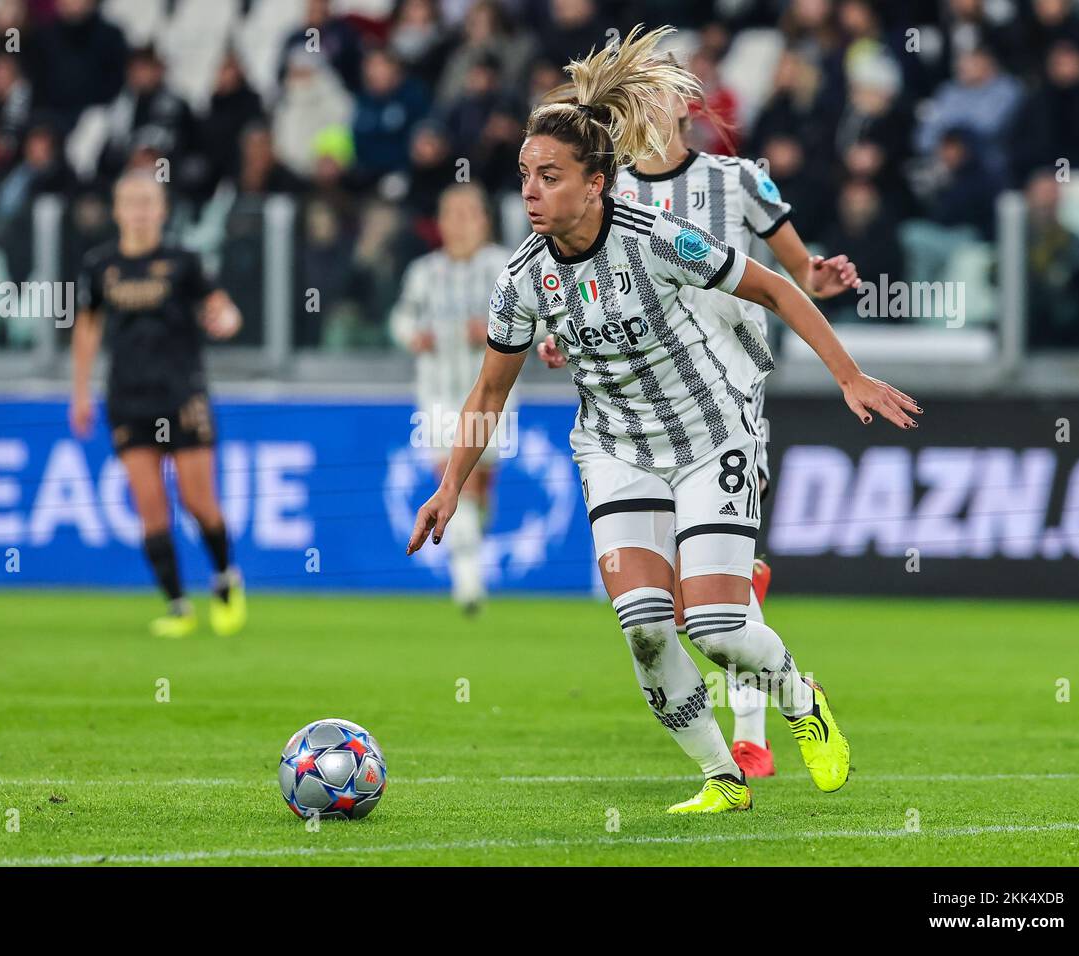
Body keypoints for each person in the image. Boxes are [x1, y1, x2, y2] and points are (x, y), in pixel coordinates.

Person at [407, 26, 920, 814]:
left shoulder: (657, 238)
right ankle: (722, 777)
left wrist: (848, 375)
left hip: (713, 430)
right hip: (616, 449)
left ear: (597, 183)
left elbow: (779, 290)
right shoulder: (521, 280)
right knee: (645, 629)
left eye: (549, 176)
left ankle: (797, 697)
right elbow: (486, 395)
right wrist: (449, 487)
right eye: (524, 176)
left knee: (714, 624)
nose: (531, 192)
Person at [536, 59, 863, 777]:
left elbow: (792, 272)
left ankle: (752, 729)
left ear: (686, 103)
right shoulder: (603, 187)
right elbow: (577, 279)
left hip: (733, 391)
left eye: (660, 87)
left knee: (708, 598)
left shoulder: (737, 179)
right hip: (642, 405)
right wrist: (560, 330)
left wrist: (824, 279)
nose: (647, 100)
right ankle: (755, 727)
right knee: (682, 605)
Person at [70, 170, 249, 639]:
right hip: (129, 398)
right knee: (150, 507)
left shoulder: (183, 261)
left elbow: (220, 306)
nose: (140, 211)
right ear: (117, 210)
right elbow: (86, 328)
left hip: (182, 394)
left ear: (162, 210)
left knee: (198, 501)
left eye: (148, 202)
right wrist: (80, 391)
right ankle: (177, 606)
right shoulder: (99, 265)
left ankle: (226, 577)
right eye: (131, 202)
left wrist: (227, 319)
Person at [391, 183, 511, 614]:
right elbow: (401, 317)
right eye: (451, 215)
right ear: (439, 223)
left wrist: (494, 334)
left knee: (481, 483)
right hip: (438, 393)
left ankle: (470, 543)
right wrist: (412, 335)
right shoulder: (423, 272)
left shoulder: (504, 267)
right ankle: (468, 580)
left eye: (468, 214)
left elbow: (534, 319)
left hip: (491, 394)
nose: (459, 224)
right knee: (454, 477)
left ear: (484, 220)